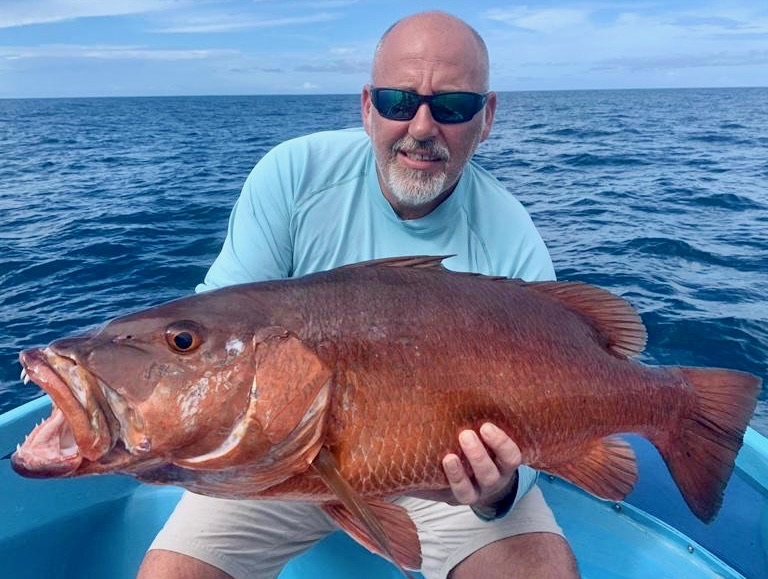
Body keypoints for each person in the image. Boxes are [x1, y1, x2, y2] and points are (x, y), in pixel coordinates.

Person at [138, 10, 579, 579]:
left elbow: (557, 408)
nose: (422, 127)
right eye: (399, 102)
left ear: (486, 118)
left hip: (445, 478)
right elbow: (213, 340)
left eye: (451, 107)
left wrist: (498, 489)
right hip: (270, 457)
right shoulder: (292, 176)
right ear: (367, 107)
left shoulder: (513, 240)